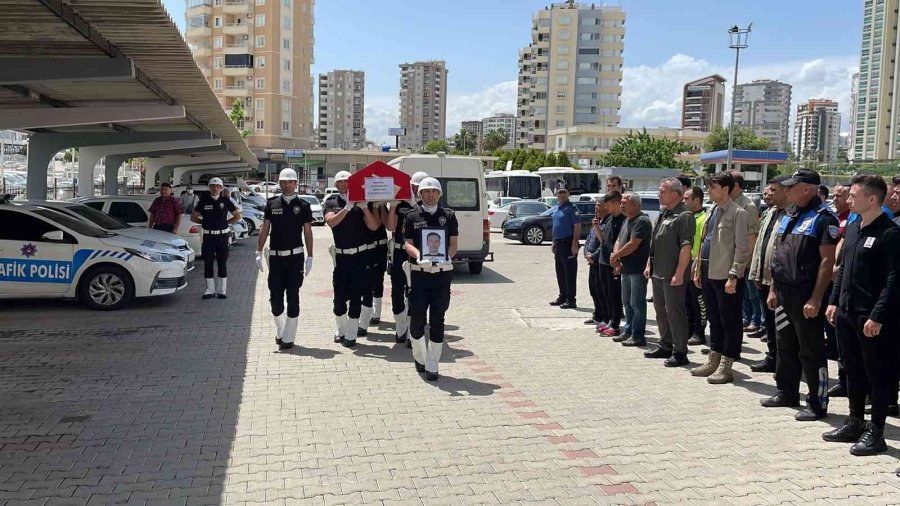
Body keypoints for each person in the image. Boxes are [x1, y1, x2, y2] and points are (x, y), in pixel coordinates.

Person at [824, 174, 900, 455]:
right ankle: (854, 420)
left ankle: (876, 431)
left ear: (872, 199)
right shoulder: (854, 228)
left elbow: (894, 281)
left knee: (877, 375)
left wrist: (878, 315)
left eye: (854, 195)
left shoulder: (890, 234)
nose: (848, 199)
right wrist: (833, 301)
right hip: (846, 313)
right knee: (851, 370)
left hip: (872, 319)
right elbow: (843, 269)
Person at [761, 169, 838, 421]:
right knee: (785, 346)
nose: (787, 190)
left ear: (806, 188)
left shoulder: (824, 218)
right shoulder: (790, 215)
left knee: (811, 351)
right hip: (784, 291)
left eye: (791, 187)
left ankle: (817, 402)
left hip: (807, 295)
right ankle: (786, 392)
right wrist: (773, 288)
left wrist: (816, 298)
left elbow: (827, 262)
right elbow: (779, 254)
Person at [691, 172, 750, 384]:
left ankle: (727, 365)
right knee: (714, 318)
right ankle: (713, 358)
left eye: (713, 187)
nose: (709, 191)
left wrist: (734, 275)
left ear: (726, 189)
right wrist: (698, 267)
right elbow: (704, 240)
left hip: (726, 275)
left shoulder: (738, 213)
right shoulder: (712, 211)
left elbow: (742, 249)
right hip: (708, 273)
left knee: (730, 320)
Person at [403, 177, 459, 381]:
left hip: (442, 276)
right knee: (417, 320)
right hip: (419, 274)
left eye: (434, 192)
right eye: (425, 192)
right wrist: (418, 255)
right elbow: (407, 243)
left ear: (439, 194)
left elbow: (453, 244)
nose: (430, 195)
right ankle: (420, 357)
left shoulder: (449, 216)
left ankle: (433, 362)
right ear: (420, 195)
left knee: (438, 320)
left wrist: (447, 257)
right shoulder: (411, 216)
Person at [254, 168, 314, 350]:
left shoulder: (303, 205)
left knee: (293, 296)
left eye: (290, 182)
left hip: (295, 257)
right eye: (283, 182)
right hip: (276, 258)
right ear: (279, 184)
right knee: (275, 299)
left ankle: (289, 337)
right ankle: (281, 329)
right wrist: (258, 251)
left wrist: (310, 256)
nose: (286, 185)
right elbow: (265, 229)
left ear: (296, 184)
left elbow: (308, 231)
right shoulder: (272, 204)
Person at [324, 170, 380, 347]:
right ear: (336, 184)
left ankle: (351, 333)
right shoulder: (332, 201)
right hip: (341, 255)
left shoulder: (362, 201)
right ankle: (341, 328)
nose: (343, 185)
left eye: (346, 181)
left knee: (357, 294)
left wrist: (363, 207)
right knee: (339, 297)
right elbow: (331, 221)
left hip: (361, 254)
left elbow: (373, 226)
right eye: (340, 182)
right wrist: (347, 208)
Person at [644, 178, 695, 367]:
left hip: (673, 274)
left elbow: (686, 246)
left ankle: (680, 351)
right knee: (660, 311)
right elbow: (655, 243)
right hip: (658, 272)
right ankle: (665, 344)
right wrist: (649, 265)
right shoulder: (664, 214)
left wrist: (680, 272)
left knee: (675, 313)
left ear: (675, 193)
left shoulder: (684, 216)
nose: (659, 193)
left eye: (662, 190)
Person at [748, 176, 790, 375]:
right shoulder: (770, 212)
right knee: (770, 322)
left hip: (779, 280)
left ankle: (785, 363)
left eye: (774, 190)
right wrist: (756, 272)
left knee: (781, 325)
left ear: (785, 191)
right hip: (764, 276)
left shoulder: (791, 215)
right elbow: (761, 244)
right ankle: (772, 357)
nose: (769, 194)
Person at [385, 172, 429, 344]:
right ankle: (400, 327)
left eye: (420, 187)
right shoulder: (401, 203)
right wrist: (394, 206)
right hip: (399, 251)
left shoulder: (427, 206)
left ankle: (412, 330)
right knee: (397, 290)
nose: (416, 189)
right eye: (414, 186)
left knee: (415, 292)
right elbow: (390, 226)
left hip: (419, 254)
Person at [610, 192, 651, 347]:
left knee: (637, 304)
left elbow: (633, 244)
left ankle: (638, 335)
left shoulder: (642, 221)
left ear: (635, 204)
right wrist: (615, 257)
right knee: (626, 302)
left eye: (624, 202)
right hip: (626, 269)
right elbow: (620, 240)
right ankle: (628, 331)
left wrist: (616, 255)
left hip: (637, 269)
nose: (621, 204)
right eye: (620, 202)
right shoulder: (627, 220)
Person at [191, 177, 241, 299]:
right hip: (208, 236)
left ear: (221, 188)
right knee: (208, 262)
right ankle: (209, 289)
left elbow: (237, 216)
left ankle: (222, 290)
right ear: (209, 187)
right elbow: (194, 217)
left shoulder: (226, 200)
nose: (215, 188)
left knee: (222, 262)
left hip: (223, 236)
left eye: (218, 186)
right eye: (212, 186)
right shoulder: (204, 200)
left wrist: (226, 223)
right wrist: (205, 223)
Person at [730, 172, 763, 336]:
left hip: (746, 259)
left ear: (735, 185)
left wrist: (746, 262)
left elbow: (752, 237)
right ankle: (746, 317)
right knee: (742, 296)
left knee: (752, 294)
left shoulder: (747, 206)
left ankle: (756, 321)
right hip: (732, 258)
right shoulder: (729, 203)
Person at [683, 187, 708, 347]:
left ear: (696, 200)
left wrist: (696, 264)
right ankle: (689, 330)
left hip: (696, 265)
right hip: (685, 264)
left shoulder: (703, 218)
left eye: (687, 198)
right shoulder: (687, 217)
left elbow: (702, 243)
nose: (684, 201)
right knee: (687, 302)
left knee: (698, 302)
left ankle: (699, 333)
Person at [357, 200, 387, 337]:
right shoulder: (360, 203)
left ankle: (376, 312)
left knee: (378, 279)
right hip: (365, 246)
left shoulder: (380, 204)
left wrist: (379, 205)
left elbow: (381, 223)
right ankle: (364, 316)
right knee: (365, 282)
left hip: (380, 245)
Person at [548, 186, 581, 309]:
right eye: (559, 192)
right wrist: (553, 242)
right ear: (556, 194)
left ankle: (571, 299)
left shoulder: (572, 209)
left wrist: (574, 243)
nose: (561, 195)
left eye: (564, 192)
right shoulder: (556, 208)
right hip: (558, 243)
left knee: (569, 272)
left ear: (568, 194)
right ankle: (562, 296)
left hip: (568, 243)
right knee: (560, 271)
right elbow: (555, 227)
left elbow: (577, 226)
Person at [599, 191, 626, 338]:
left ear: (617, 203)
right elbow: (604, 239)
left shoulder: (623, 220)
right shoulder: (609, 219)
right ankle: (609, 319)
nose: (606, 207)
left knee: (615, 295)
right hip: (603, 261)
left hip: (614, 263)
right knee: (606, 293)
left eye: (608, 204)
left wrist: (617, 261)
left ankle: (615, 324)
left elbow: (621, 242)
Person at [584, 199, 608, 326]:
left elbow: (604, 244)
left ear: (606, 206)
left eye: (599, 205)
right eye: (595, 205)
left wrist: (593, 256)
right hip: (592, 263)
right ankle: (597, 315)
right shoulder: (596, 222)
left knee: (601, 291)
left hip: (600, 262)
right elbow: (588, 240)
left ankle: (605, 317)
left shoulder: (606, 223)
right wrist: (586, 254)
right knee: (593, 290)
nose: (596, 208)